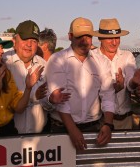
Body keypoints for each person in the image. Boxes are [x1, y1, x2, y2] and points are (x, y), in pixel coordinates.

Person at [45, 17, 115, 150]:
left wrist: (108, 124)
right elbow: (61, 99)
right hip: (62, 128)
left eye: (88, 36)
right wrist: (72, 129)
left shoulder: (101, 61)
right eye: (79, 37)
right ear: (70, 36)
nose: (85, 41)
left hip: (94, 127)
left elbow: (108, 94)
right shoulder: (57, 59)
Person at [92, 18, 140, 130]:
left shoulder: (127, 56)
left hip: (125, 119)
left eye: (117, 37)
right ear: (100, 38)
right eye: (110, 38)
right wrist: (114, 89)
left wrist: (133, 82)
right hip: (100, 121)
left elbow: (130, 83)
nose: (114, 42)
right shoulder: (91, 58)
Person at [3, 20, 52, 134]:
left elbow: (49, 105)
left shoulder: (43, 65)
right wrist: (33, 96)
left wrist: (49, 100)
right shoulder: (3, 62)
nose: (29, 44)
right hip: (8, 136)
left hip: (39, 138)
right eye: (25, 39)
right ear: (14, 41)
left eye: (34, 41)